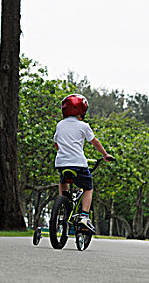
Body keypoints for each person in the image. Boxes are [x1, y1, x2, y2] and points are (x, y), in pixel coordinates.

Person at [53, 94, 113, 234]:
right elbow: (95, 142)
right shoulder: (83, 126)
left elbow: (56, 143)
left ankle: (64, 202)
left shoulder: (60, 125)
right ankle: (84, 217)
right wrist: (105, 155)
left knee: (63, 180)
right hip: (78, 164)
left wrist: (62, 152)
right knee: (88, 187)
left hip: (61, 163)